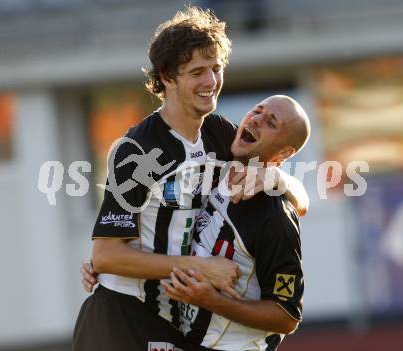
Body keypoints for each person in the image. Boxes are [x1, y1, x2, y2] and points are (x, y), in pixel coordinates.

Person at [74, 7, 307, 351]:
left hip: (172, 322)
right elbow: (107, 255)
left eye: (216, 69)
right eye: (197, 72)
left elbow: (299, 203)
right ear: (168, 76)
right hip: (120, 313)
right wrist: (199, 266)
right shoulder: (137, 149)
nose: (211, 82)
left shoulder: (219, 134)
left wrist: (279, 180)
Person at [162, 95, 309, 351]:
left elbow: (286, 317)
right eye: (257, 110)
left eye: (271, 122)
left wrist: (213, 301)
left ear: (284, 153)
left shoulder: (275, 217)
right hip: (183, 338)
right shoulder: (217, 163)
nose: (257, 119)